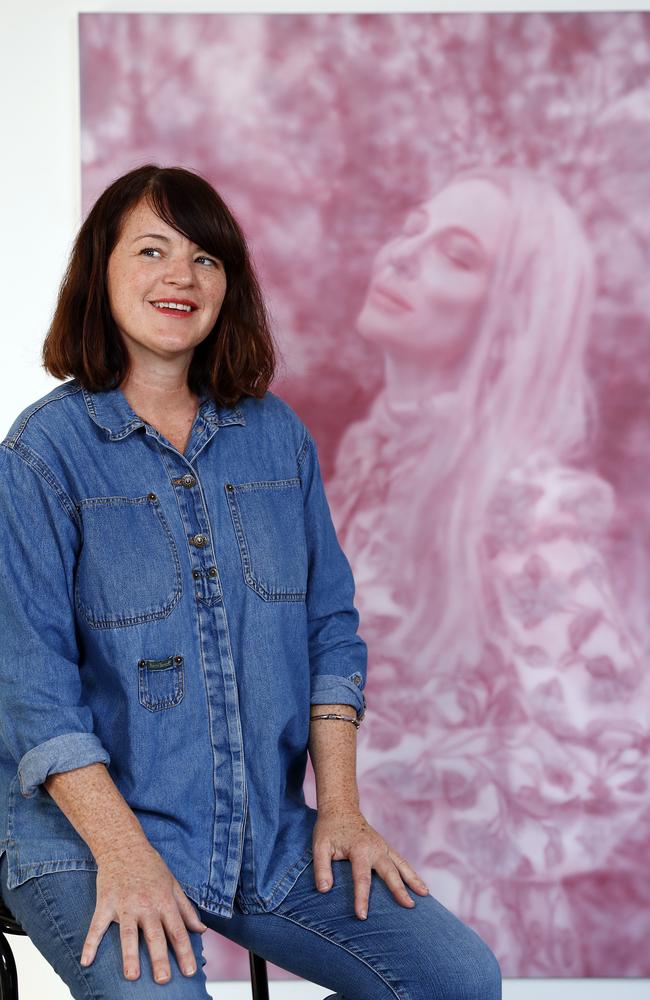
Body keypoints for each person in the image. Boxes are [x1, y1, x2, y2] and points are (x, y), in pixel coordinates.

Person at [0, 164, 501, 999]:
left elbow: (329, 631)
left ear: (228, 285)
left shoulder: (278, 439)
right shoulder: (39, 457)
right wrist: (126, 857)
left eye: (206, 259)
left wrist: (339, 808)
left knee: (458, 979)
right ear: (102, 271)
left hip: (261, 836)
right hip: (86, 841)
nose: (180, 277)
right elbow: (32, 692)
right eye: (152, 250)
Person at [326, 165, 649, 975]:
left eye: (457, 255)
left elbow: (612, 763)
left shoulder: (524, 498)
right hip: (348, 901)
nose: (402, 256)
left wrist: (404, 790)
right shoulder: (369, 454)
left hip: (460, 920)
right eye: (412, 229)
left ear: (508, 319)